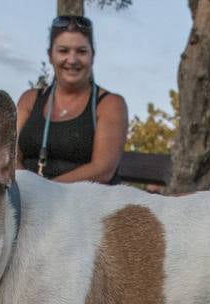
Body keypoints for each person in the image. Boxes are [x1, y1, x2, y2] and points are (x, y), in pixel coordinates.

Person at [15, 14, 128, 184]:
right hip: (27, 198)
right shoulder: (29, 99)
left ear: (93, 56)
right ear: (50, 55)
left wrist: (44, 191)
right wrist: (22, 190)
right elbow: (10, 152)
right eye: (63, 51)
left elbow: (103, 169)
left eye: (81, 51)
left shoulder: (110, 104)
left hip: (83, 203)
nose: (72, 60)